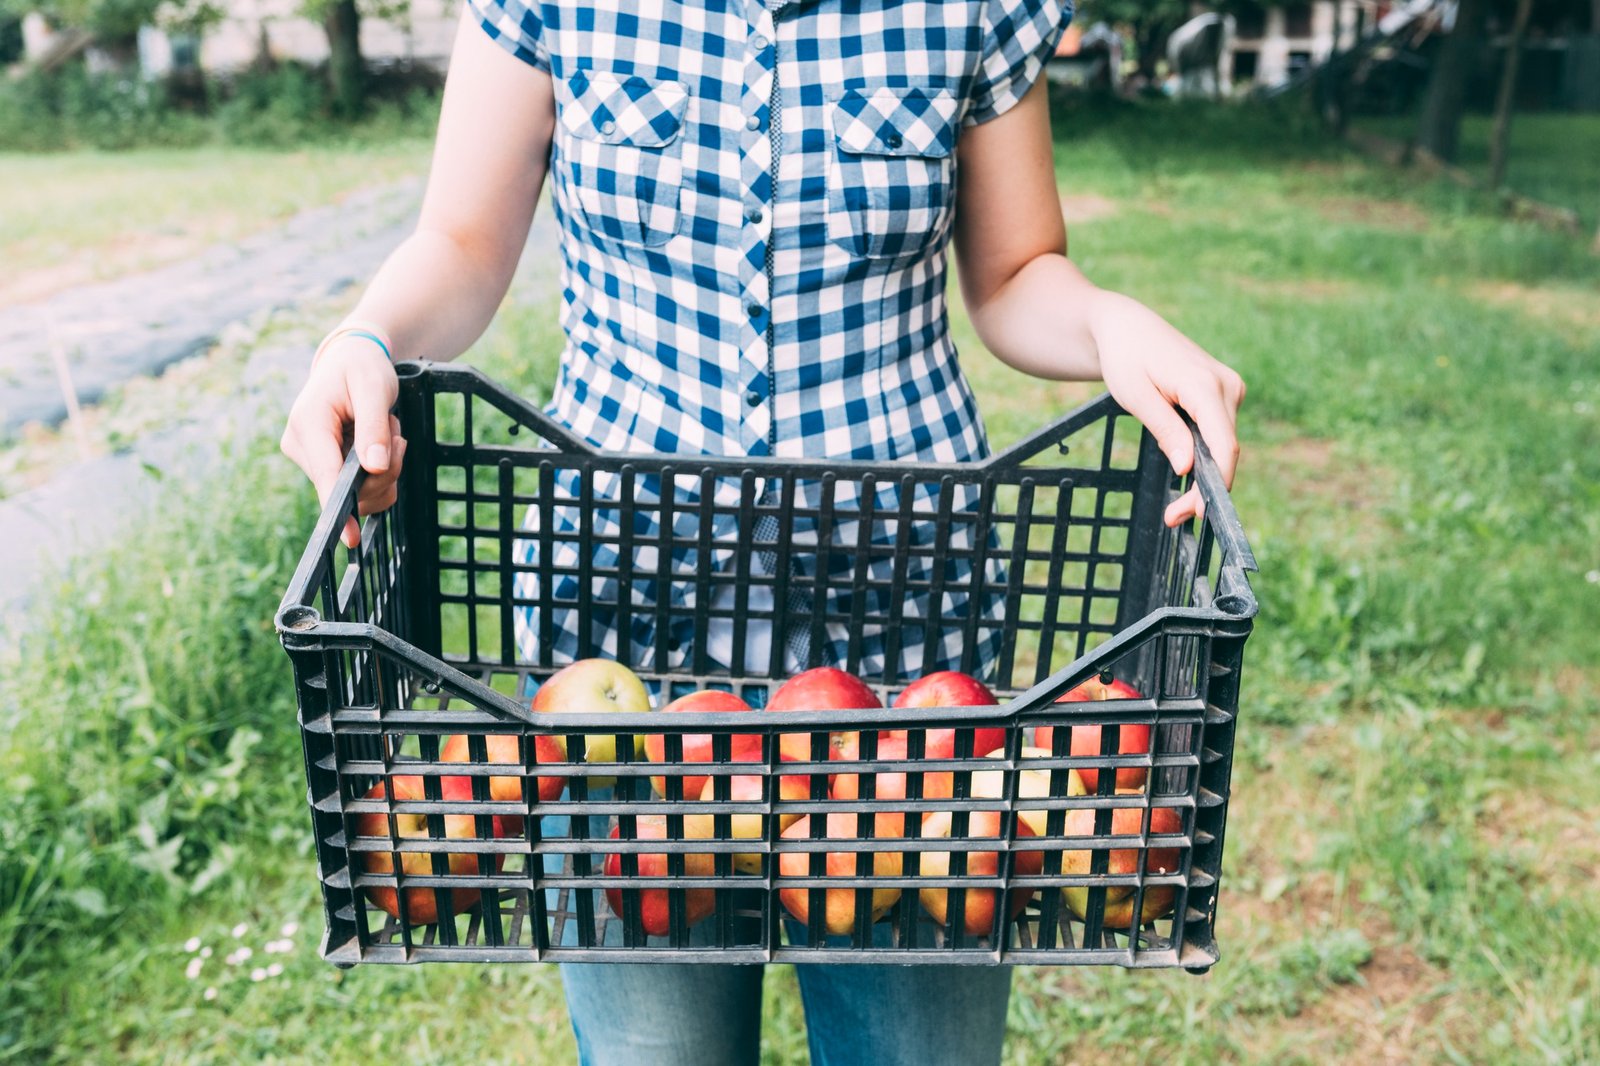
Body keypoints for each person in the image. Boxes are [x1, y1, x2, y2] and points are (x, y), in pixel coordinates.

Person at [280, 0, 1246, 1062]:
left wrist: (1111, 321)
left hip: (904, 657)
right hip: (626, 653)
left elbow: (1016, 274)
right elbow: (462, 244)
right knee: (661, 1050)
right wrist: (362, 337)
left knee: (914, 1051)